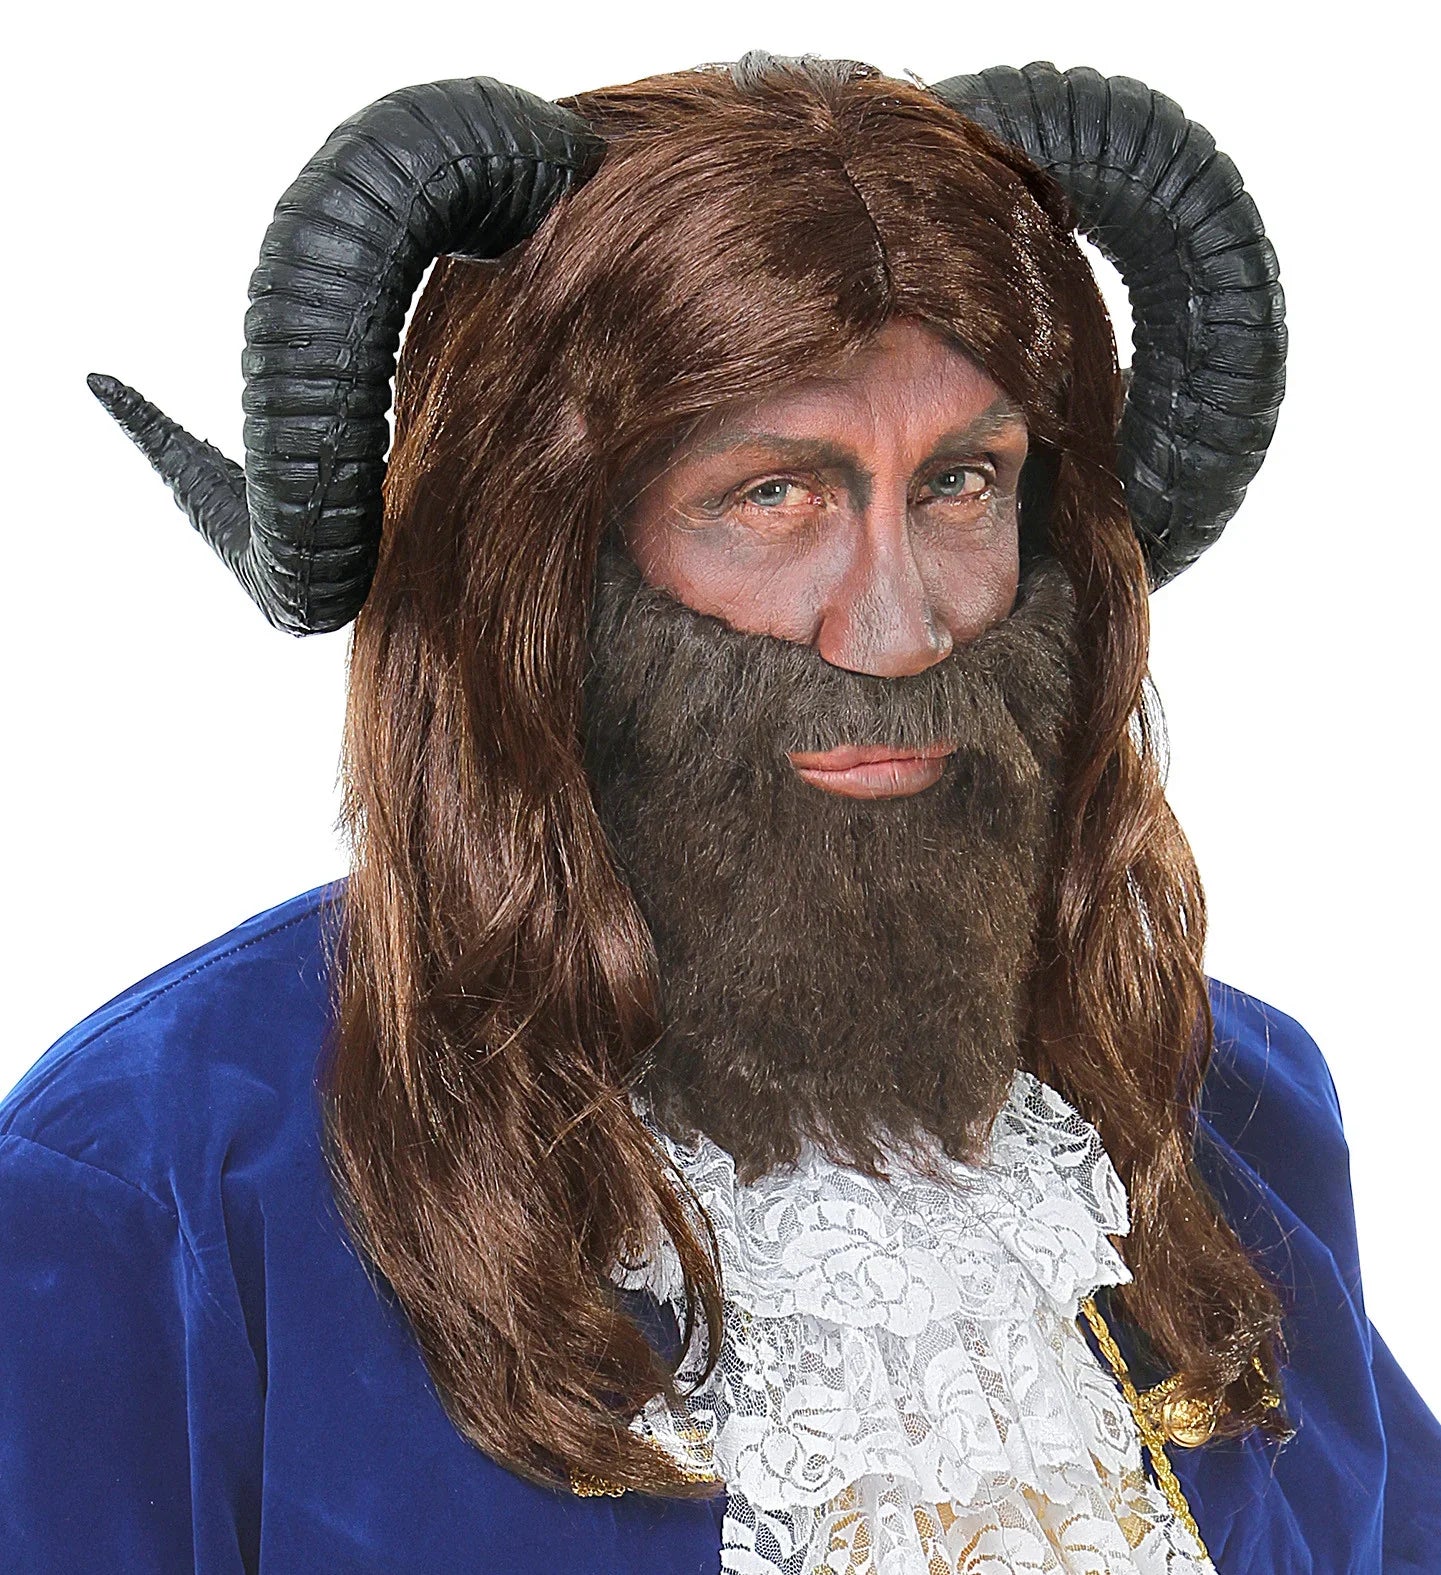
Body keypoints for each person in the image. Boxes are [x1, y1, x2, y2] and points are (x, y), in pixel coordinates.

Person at [2, 51, 1437, 1574]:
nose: (899, 631)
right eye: (772, 494)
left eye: (961, 481)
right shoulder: (163, 1178)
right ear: (546, 573)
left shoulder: (1215, 1105)